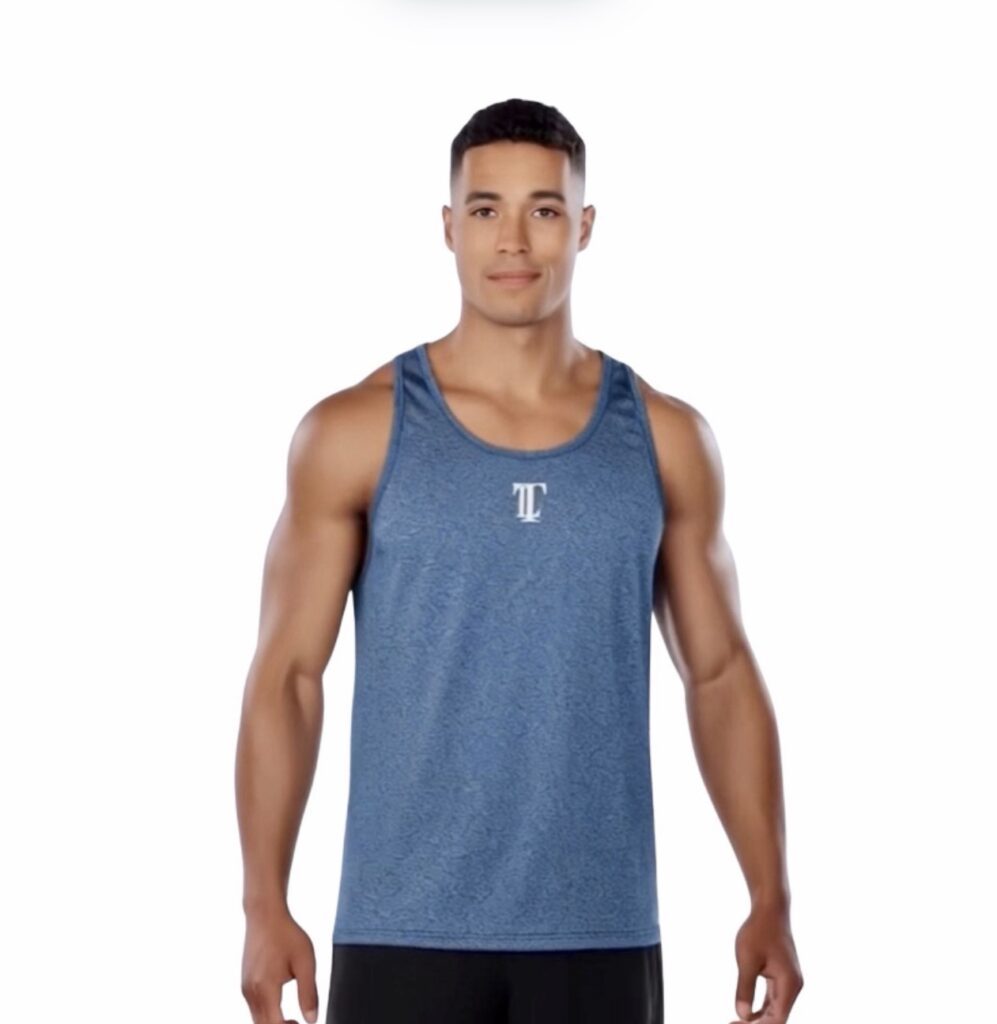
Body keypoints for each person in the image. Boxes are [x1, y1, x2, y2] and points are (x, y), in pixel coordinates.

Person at [235, 97, 803, 1024]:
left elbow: (720, 673)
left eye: (543, 209)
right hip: (400, 927)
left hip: (599, 930)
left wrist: (769, 896)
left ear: (582, 226)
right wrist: (264, 903)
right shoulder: (353, 433)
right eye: (485, 209)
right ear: (448, 227)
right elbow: (288, 676)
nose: (513, 240)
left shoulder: (663, 439)